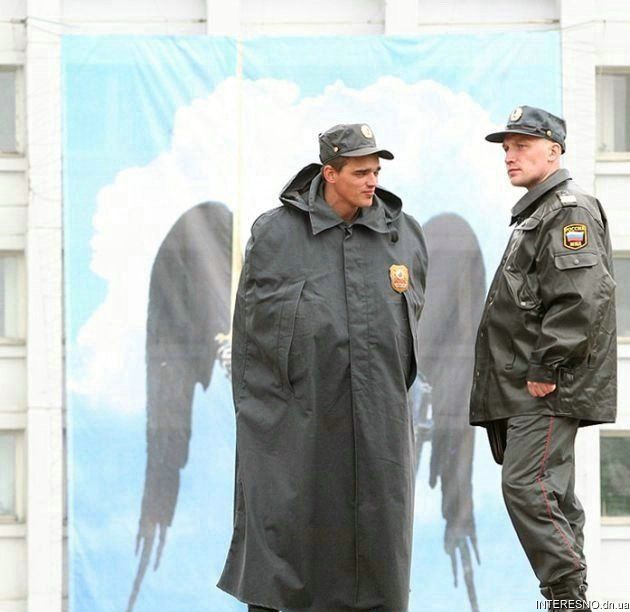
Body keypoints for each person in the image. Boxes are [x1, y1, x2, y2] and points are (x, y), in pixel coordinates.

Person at [218, 124, 428, 612]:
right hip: (300, 421)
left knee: (378, 550)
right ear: (329, 173)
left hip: (380, 425)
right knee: (292, 546)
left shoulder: (403, 234)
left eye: (376, 171)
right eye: (360, 172)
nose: (372, 181)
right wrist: (264, 421)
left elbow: (410, 328)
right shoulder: (275, 234)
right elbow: (253, 341)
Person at [470, 106, 617, 608]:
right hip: (531, 383)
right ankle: (568, 598)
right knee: (550, 492)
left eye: (522, 146)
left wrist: (547, 365)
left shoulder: (567, 210)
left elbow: (580, 295)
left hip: (546, 384)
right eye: (506, 148)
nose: (509, 156)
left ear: (554, 151)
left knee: (526, 485)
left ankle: (566, 593)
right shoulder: (539, 211)